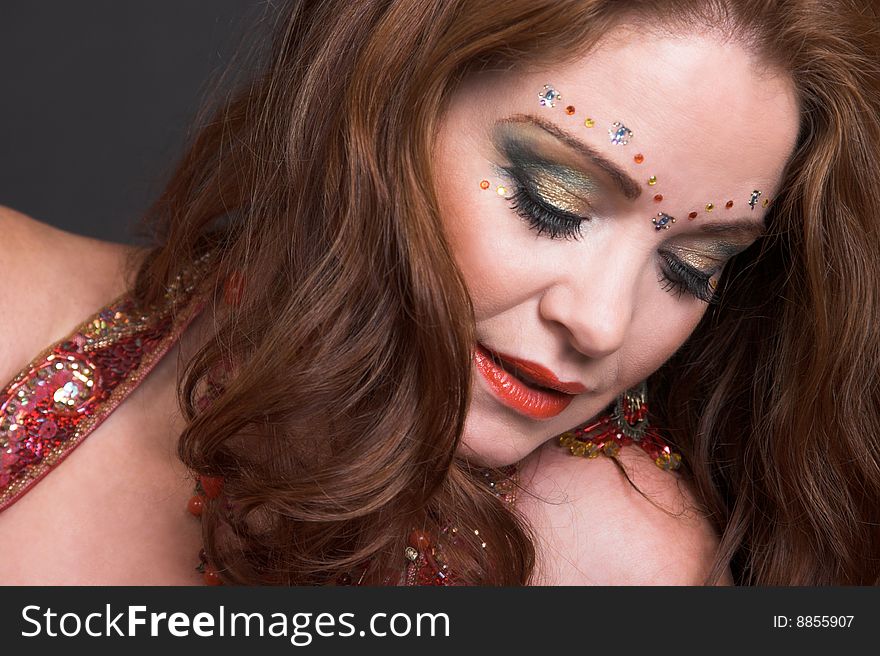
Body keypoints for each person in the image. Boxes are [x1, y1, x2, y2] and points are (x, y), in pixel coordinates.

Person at [1, 0, 878, 586]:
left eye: (693, 267)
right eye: (554, 200)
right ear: (382, 101)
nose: (602, 322)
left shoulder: (614, 557)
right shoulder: (20, 307)